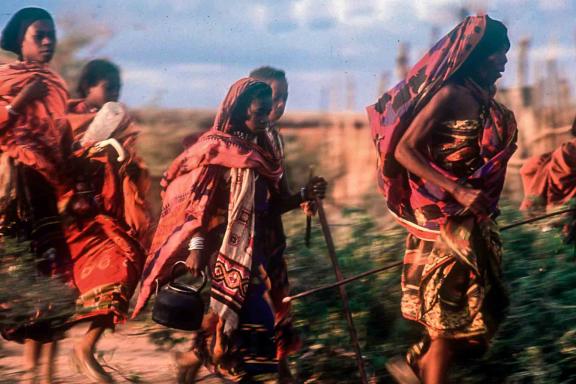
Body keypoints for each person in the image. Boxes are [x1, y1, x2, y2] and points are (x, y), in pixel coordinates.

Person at [133, 78, 326, 383]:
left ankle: (206, 363)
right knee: (249, 326)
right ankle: (223, 364)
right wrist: (196, 248)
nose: (266, 117)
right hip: (223, 251)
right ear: (240, 111)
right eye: (259, 112)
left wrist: (304, 194)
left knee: (250, 331)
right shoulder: (217, 150)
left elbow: (273, 205)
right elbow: (197, 208)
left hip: (256, 251)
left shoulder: (265, 154)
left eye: (267, 111)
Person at [367, 15, 517, 383]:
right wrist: (457, 188)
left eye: (506, 55)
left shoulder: (486, 103)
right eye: (497, 55)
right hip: (443, 222)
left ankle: (417, 368)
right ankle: (419, 370)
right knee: (448, 324)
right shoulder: (449, 95)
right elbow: (404, 150)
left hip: (472, 222)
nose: (504, 62)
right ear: (476, 56)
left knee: (471, 319)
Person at [64, 58, 151, 383]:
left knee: (126, 263)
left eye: (118, 88)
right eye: (108, 87)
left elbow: (136, 166)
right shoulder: (66, 118)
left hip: (106, 216)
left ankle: (86, 346)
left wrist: (127, 164)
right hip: (71, 212)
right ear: (88, 86)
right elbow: (56, 158)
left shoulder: (121, 123)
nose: (115, 93)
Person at [0, 7, 74, 384]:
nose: (48, 42)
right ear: (19, 41)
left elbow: (61, 140)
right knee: (18, 276)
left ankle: (40, 376)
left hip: (45, 191)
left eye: (51, 35)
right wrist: (21, 99)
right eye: (38, 35)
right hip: (10, 188)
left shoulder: (58, 85)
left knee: (52, 283)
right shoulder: (5, 78)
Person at [249, 66, 300, 383]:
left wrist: (305, 196)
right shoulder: (238, 139)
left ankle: (283, 374)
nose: (279, 106)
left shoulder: (275, 139)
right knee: (254, 319)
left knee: (280, 312)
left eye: (284, 98)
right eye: (272, 98)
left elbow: (281, 199)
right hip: (244, 245)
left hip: (271, 241)